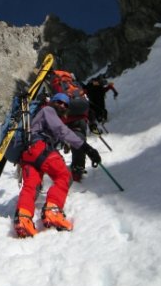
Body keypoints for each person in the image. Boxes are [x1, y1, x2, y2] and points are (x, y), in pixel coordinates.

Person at [14, 93, 101, 238]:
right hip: (40, 147)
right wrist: (86, 148)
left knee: (31, 185)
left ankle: (23, 218)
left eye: (65, 104)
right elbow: (61, 129)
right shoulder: (48, 111)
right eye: (59, 102)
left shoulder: (43, 115)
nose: (62, 105)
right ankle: (52, 211)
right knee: (64, 175)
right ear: (52, 102)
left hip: (28, 154)